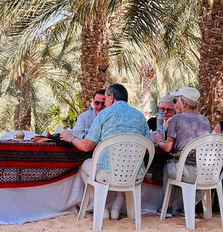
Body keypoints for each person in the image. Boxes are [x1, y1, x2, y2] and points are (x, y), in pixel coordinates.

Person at [61, 84, 149, 220]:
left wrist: (70, 138)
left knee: (84, 165)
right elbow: (148, 148)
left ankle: (100, 207)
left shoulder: (104, 114)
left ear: (111, 97)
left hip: (107, 174)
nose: (104, 104)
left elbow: (86, 146)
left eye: (105, 99)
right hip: (135, 175)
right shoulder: (140, 116)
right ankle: (116, 207)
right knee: (125, 168)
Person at [153, 86, 211, 214]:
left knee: (167, 166)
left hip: (187, 172)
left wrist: (159, 142)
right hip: (207, 172)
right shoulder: (205, 120)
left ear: (184, 103)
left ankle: (167, 207)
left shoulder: (176, 118)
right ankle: (189, 207)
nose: (174, 105)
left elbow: (168, 148)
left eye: (176, 101)